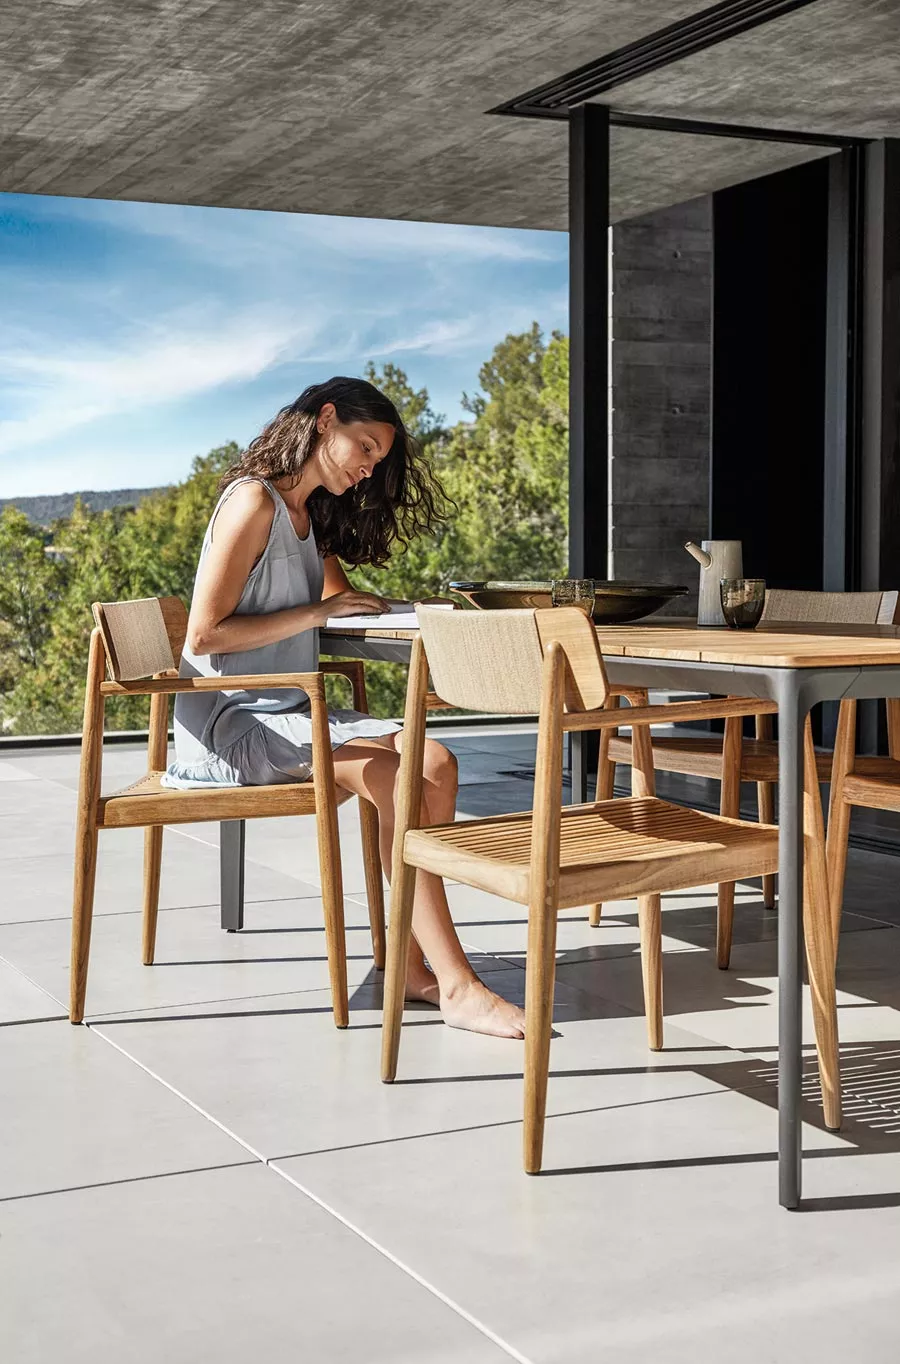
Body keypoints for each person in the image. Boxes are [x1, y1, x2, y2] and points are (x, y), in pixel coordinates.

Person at [165, 376, 526, 1039]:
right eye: (364, 446)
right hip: (228, 721)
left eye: (377, 459)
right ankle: (458, 985)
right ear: (324, 420)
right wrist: (321, 611)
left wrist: (418, 611)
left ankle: (410, 965)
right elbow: (203, 636)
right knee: (392, 776)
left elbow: (344, 601)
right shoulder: (252, 503)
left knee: (437, 762)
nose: (368, 467)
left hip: (289, 709)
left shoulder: (307, 521)